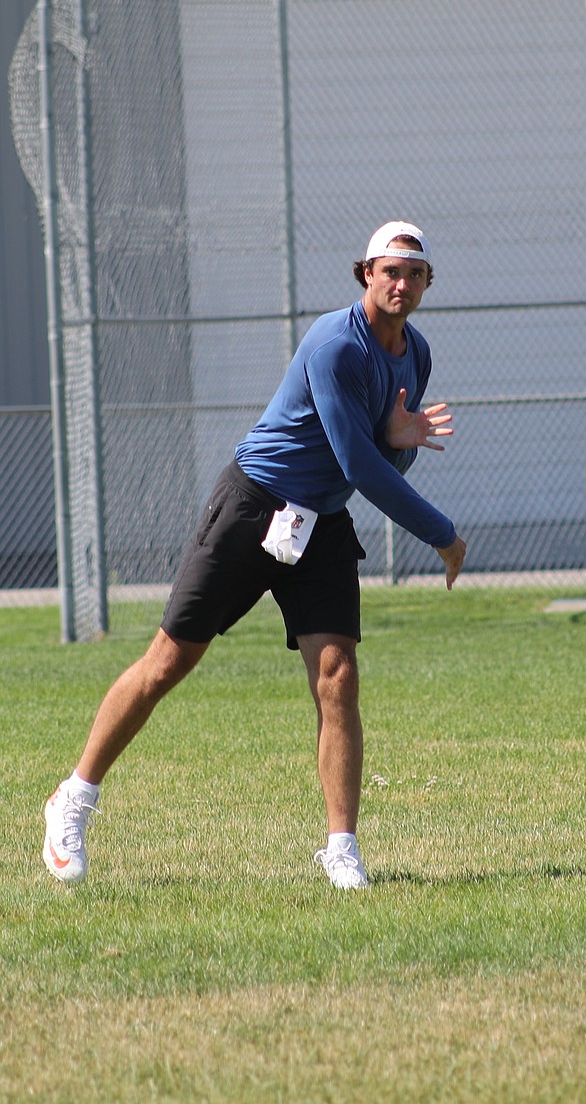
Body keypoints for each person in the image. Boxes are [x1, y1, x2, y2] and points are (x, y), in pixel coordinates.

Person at [43, 220, 467, 891]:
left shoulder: (415, 353)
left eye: (414, 273)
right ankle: (73, 798)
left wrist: (401, 440)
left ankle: (342, 847)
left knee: (338, 675)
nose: (401, 282)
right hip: (254, 504)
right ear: (365, 273)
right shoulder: (335, 344)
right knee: (166, 663)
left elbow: (387, 455)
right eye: (389, 269)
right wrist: (441, 532)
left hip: (319, 521)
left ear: (428, 283)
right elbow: (360, 460)